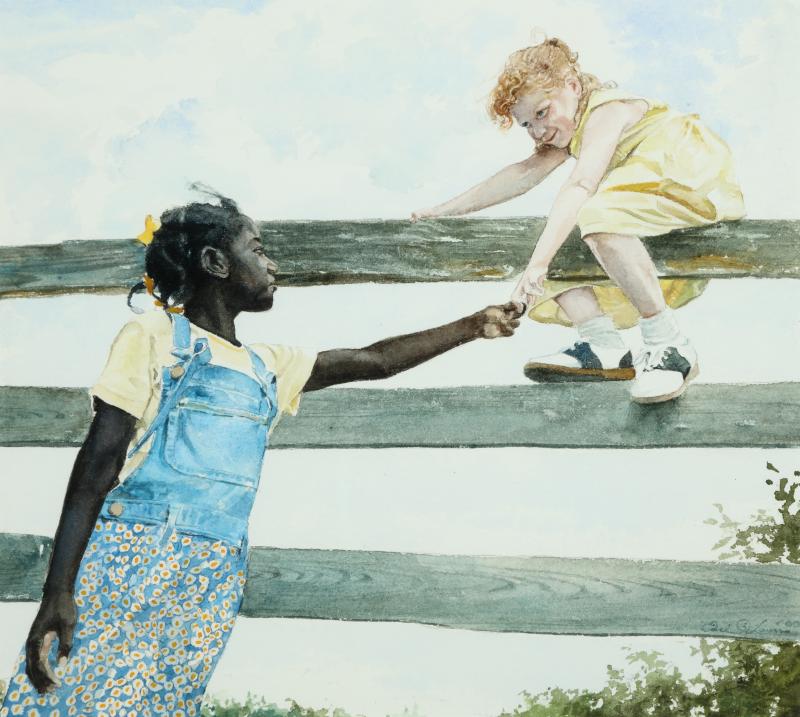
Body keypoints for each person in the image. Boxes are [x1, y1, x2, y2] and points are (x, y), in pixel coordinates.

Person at [1, 188, 521, 716]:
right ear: (215, 262)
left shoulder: (266, 366)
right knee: (77, 694)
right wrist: (57, 591)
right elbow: (98, 464)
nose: (273, 264)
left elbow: (375, 360)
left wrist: (473, 326)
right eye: (258, 249)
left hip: (213, 572)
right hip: (131, 555)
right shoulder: (155, 337)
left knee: (166, 703)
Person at [412, 37, 745, 403]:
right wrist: (443, 209)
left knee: (593, 215)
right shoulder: (568, 131)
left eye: (542, 113)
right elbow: (522, 175)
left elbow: (583, 183)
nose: (538, 131)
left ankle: (668, 342)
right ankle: (603, 345)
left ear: (572, 86)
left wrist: (536, 267)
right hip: (642, 187)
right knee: (560, 235)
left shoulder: (606, 111)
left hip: (685, 170)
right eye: (527, 125)